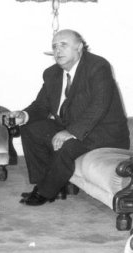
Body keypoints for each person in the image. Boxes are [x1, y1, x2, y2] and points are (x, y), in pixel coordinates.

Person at [7, 29, 129, 206]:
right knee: (31, 128)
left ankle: (44, 192)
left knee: (67, 145)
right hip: (72, 126)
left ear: (79, 47)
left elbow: (99, 106)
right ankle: (46, 184)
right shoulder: (52, 73)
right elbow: (41, 105)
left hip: (103, 132)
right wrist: (23, 115)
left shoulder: (98, 67)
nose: (58, 50)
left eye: (63, 45)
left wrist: (71, 132)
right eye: (54, 46)